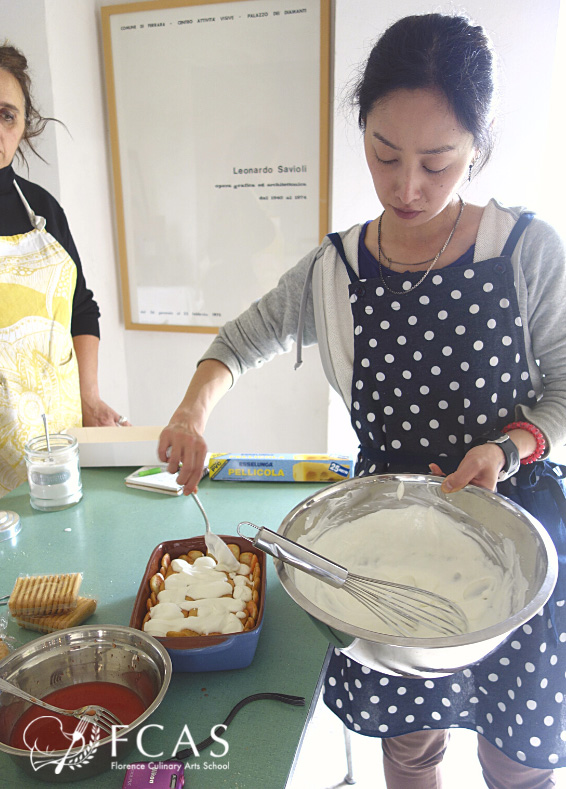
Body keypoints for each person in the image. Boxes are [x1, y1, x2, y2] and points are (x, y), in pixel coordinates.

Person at [158, 13, 566, 787]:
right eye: (385, 155)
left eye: (438, 163)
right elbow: (240, 341)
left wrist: (510, 446)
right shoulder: (337, 270)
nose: (407, 187)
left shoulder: (525, 254)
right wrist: (190, 411)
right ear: (363, 131)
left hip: (509, 547)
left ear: (477, 148)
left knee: (518, 758)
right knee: (411, 749)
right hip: (381, 553)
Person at [0, 43, 130, 496]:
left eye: (6, 115)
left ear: (23, 126)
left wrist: (88, 399)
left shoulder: (42, 208)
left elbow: (81, 307)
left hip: (59, 443)